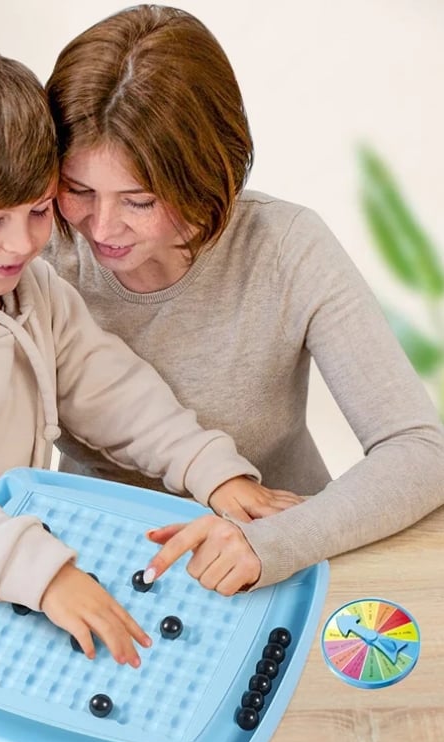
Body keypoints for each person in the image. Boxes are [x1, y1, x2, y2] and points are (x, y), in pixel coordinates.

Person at [0, 43, 300, 668]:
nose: (21, 243)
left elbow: (112, 389)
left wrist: (209, 468)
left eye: (39, 210)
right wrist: (42, 573)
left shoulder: (31, 289)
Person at [42, 4, 444, 591]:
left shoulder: (286, 247)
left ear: (209, 173)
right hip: (90, 570)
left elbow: (419, 449)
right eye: (78, 190)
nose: (101, 228)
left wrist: (272, 542)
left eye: (140, 201)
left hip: (281, 568)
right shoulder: (36, 251)